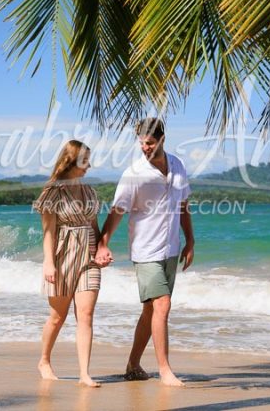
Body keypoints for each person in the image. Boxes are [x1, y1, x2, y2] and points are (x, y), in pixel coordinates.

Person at [95, 118, 195, 387]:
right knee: (162, 304)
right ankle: (165, 370)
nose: (144, 147)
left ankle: (133, 365)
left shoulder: (178, 166)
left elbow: (183, 205)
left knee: (151, 312)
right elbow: (117, 210)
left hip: (171, 249)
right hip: (145, 251)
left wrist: (190, 241)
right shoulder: (134, 174)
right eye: (141, 143)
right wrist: (103, 243)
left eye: (149, 142)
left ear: (162, 139)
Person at [33, 140, 102, 387]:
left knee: (86, 314)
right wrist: (48, 263)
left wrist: (102, 248)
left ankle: (84, 373)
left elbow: (94, 226)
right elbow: (49, 232)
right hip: (63, 256)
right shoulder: (52, 192)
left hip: (89, 257)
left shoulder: (90, 192)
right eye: (85, 161)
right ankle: (44, 361)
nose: (89, 166)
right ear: (70, 161)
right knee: (57, 317)